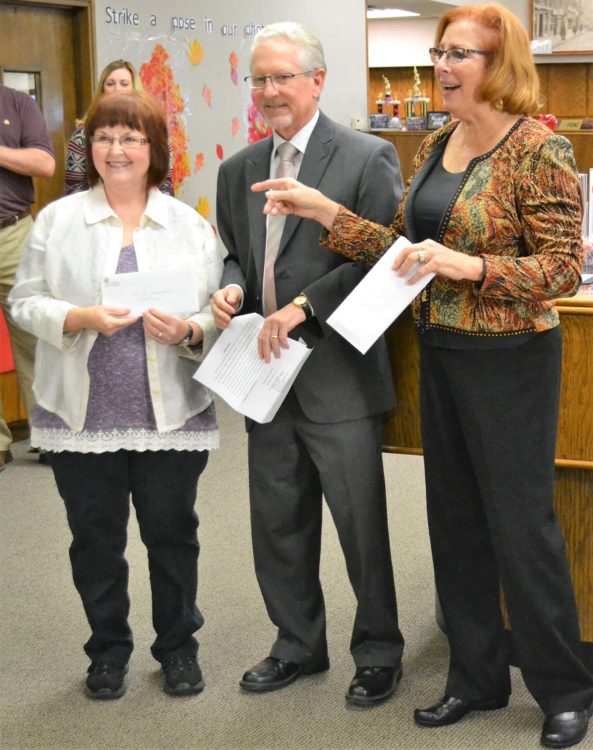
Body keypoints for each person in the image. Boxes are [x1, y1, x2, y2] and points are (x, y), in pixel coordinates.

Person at [252, 4, 593, 746]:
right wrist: (326, 211)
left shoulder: (539, 149)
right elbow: (400, 250)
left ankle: (565, 688)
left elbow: (561, 269)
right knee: (454, 523)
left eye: (459, 54)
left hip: (511, 361)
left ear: (498, 65)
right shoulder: (438, 142)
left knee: (521, 528)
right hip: (441, 351)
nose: (442, 66)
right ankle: (475, 679)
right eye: (441, 52)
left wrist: (469, 265)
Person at [213, 22, 405, 706]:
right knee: (277, 523)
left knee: (360, 527)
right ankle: (296, 643)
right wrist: (230, 288)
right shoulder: (238, 169)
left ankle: (378, 651)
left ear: (317, 81)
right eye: (259, 79)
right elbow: (235, 252)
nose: (268, 91)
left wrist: (304, 306)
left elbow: (383, 257)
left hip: (337, 374)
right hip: (262, 374)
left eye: (282, 77)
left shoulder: (366, 156)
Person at [10, 91, 223, 699]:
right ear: (90, 149)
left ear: (154, 149)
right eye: (104, 137)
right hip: (81, 416)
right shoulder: (58, 220)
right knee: (95, 541)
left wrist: (190, 330)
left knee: (172, 537)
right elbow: (24, 301)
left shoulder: (187, 225)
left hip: (170, 415)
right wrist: (77, 316)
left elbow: (215, 312)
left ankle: (178, 647)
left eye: (131, 137)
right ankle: (107, 651)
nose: (117, 149)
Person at [0, 83, 55, 471]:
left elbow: (44, 163)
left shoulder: (17, 103)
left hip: (13, 233)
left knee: (34, 335)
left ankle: (47, 435)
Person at [64, 59, 173, 196]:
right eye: (110, 84)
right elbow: (73, 191)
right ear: (102, 89)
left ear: (134, 88)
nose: (117, 89)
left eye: (124, 84)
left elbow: (165, 186)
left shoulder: (155, 133)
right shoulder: (82, 136)